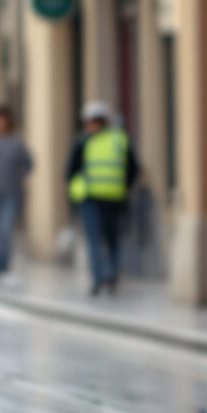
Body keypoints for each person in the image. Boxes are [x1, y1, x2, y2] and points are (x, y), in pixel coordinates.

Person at [66, 101, 139, 296]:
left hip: (101, 199)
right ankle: (105, 278)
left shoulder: (87, 141)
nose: (91, 125)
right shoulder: (118, 140)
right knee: (105, 241)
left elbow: (70, 172)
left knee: (101, 241)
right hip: (104, 198)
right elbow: (133, 169)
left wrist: (75, 193)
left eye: (93, 122)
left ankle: (104, 278)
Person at [0, 105, 32, 279]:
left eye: (1, 119)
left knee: (4, 229)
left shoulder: (17, 143)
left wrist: (20, 179)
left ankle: (1, 267)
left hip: (11, 192)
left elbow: (29, 164)